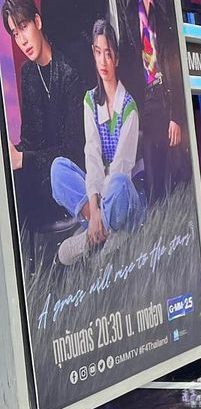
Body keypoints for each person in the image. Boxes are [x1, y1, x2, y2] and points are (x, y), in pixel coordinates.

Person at [50, 18, 145, 265]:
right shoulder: (90, 101)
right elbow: (91, 155)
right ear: (93, 53)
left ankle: (93, 236)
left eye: (108, 53)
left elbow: (122, 166)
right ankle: (100, 229)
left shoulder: (129, 107)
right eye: (98, 52)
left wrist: (100, 208)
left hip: (122, 197)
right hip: (99, 195)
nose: (103, 61)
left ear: (116, 58)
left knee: (119, 181)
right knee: (58, 169)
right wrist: (94, 208)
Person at [1, 0, 84, 236]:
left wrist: (24, 159)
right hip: (41, 173)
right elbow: (30, 139)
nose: (22, 41)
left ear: (37, 21)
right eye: (15, 33)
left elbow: (73, 150)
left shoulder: (69, 73)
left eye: (24, 27)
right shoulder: (28, 73)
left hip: (68, 175)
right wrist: (13, 155)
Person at [117, 0, 182, 201]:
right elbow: (125, 52)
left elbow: (175, 59)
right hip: (142, 95)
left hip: (165, 92)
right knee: (152, 182)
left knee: (173, 181)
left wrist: (177, 114)